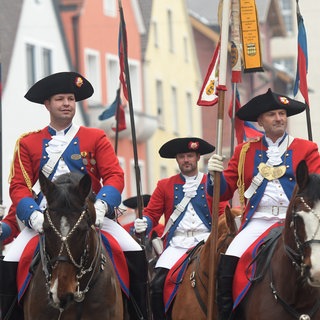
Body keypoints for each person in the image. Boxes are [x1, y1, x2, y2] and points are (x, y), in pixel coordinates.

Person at [0, 71, 149, 320]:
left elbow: (114, 176)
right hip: (48, 217)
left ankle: (140, 313)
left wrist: (101, 205)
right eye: (60, 99)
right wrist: (33, 215)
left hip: (88, 214)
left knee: (133, 251)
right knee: (12, 258)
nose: (67, 104)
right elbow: (19, 186)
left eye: (70, 98)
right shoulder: (29, 143)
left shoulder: (95, 137)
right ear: (47, 104)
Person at [207, 88, 320, 320]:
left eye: (282, 113)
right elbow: (223, 191)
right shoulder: (245, 151)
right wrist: (213, 176)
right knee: (228, 262)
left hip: (296, 221)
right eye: (272, 114)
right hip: (258, 221)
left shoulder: (306, 149)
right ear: (260, 121)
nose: (279, 118)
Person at [134, 137, 227, 320]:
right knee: (156, 286)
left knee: (226, 280)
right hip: (177, 244)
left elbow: (223, 212)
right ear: (177, 159)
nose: (186, 160)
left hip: (206, 242)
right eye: (182, 156)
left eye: (190, 155)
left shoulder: (212, 181)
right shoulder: (165, 185)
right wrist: (143, 222)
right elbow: (152, 214)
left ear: (198, 157)